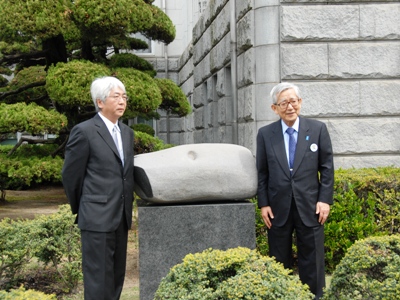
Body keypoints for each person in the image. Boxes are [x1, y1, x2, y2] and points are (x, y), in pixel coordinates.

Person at [256, 82, 334, 299]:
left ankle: (314, 296)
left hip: (310, 206)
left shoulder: (317, 129)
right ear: (275, 108)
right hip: (277, 208)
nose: (289, 107)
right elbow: (261, 172)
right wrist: (263, 204)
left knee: (313, 258)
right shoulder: (265, 134)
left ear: (300, 102)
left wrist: (324, 200)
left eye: (293, 101)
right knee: (278, 259)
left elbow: (327, 168)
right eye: (284, 103)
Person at [62, 76, 134, 300]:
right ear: (100, 102)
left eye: (124, 97)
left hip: (121, 217)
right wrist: (86, 206)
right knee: (97, 282)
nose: (122, 101)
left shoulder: (127, 133)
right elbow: (71, 176)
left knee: (115, 279)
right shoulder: (84, 132)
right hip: (96, 218)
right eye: (116, 97)